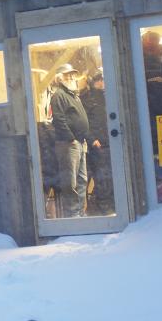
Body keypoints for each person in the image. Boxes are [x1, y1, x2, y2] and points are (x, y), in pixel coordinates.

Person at [47, 64, 89, 217]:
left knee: (82, 179)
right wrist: (70, 138)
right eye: (67, 75)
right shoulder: (58, 95)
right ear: (59, 78)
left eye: (72, 75)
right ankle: (72, 215)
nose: (71, 78)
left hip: (79, 143)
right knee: (70, 182)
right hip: (69, 144)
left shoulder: (73, 95)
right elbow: (58, 119)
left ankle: (79, 212)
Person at [81, 70, 114, 216]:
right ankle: (103, 206)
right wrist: (92, 139)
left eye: (102, 79)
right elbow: (83, 122)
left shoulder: (110, 95)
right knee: (102, 176)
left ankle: (109, 204)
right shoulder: (87, 98)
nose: (101, 82)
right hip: (98, 144)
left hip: (111, 141)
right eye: (98, 80)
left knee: (111, 176)